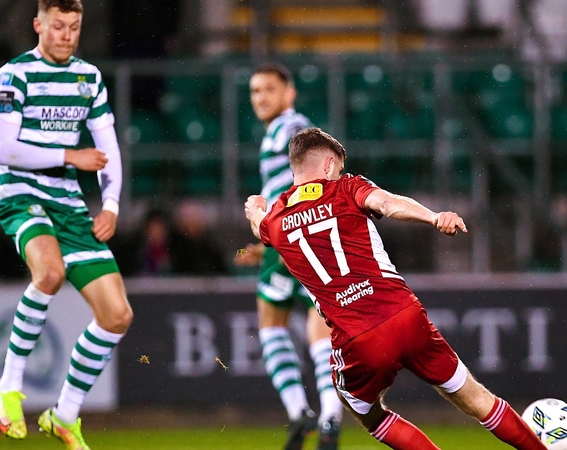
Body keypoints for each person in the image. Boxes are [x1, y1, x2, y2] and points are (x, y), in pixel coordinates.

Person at [244, 128, 547, 450]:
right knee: (474, 396)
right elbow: (388, 204)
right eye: (340, 168)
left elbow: (259, 225)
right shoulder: (347, 188)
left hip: (357, 338)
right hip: (404, 315)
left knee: (369, 413)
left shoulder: (275, 220)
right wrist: (433, 218)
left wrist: (254, 208)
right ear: (329, 164)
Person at [0, 1, 133, 449]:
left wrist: (110, 204)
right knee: (48, 273)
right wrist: (70, 156)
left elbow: (108, 148)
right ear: (38, 25)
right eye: (58, 26)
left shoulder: (88, 78)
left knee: (117, 316)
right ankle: (9, 387)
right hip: (23, 195)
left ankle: (64, 415)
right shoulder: (13, 75)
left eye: (74, 27)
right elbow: (3, 151)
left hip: (68, 203)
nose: (67, 35)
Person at [234, 62, 344, 450]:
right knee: (316, 330)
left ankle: (303, 412)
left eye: (268, 89)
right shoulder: (284, 132)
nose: (260, 98)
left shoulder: (291, 129)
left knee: (274, 325)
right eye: (254, 91)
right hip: (304, 239)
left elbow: (303, 184)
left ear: (289, 92)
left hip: (293, 238)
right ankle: (328, 417)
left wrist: (281, 236)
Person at [169, 200, 228, 275]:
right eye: (188, 221)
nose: (192, 227)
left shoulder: (211, 248)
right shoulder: (175, 248)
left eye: (195, 221)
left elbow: (222, 271)